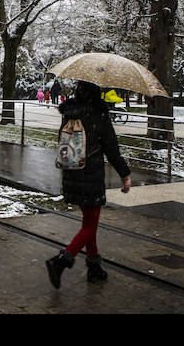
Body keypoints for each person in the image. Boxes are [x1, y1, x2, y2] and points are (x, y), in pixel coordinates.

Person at [45, 80, 131, 290]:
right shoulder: (99, 115)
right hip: (91, 175)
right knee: (90, 225)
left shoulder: (70, 113)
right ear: (97, 94)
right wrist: (125, 174)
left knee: (88, 222)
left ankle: (94, 266)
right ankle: (62, 261)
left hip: (71, 172)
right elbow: (111, 149)